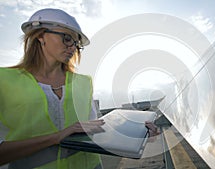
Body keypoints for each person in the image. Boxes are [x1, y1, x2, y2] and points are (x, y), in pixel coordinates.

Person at [0, 8, 159, 169]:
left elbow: (93, 130)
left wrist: (136, 133)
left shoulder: (83, 83)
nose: (72, 47)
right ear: (40, 35)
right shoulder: (4, 80)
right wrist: (57, 137)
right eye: (67, 38)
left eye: (76, 44)